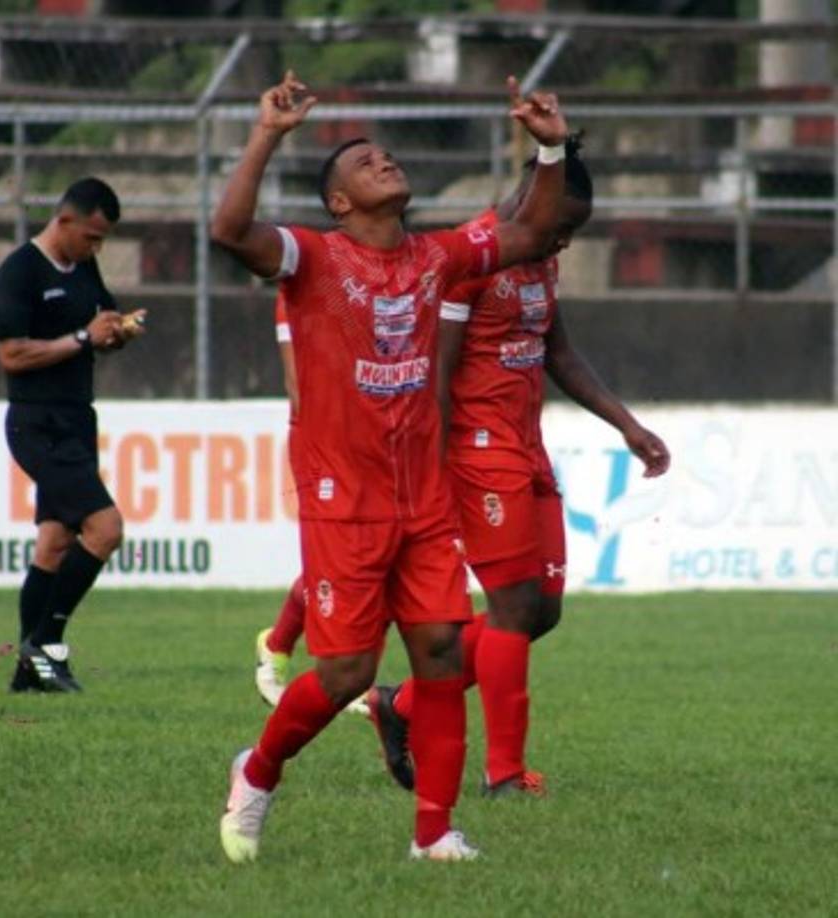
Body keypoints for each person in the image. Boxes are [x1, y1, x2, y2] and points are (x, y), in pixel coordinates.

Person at [210, 70, 569, 864]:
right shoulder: (312, 257)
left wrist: (549, 152)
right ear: (339, 201)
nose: (384, 160)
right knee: (344, 672)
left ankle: (433, 832)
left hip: (424, 500)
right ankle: (257, 771)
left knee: (439, 650)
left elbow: (534, 233)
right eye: (364, 161)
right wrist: (267, 135)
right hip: (344, 498)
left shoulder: (437, 256)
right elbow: (230, 230)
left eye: (387, 153)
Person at [367, 138, 671, 796]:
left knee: (543, 610)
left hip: (527, 449)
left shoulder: (540, 259)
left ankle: (402, 706)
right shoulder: (471, 257)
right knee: (512, 607)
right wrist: (431, 470)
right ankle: (503, 773)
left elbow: (558, 352)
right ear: (534, 200)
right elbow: (437, 375)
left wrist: (627, 424)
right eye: (561, 227)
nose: (563, 243)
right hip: (477, 452)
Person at [0, 176, 146, 693]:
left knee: (55, 543)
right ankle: (43, 644)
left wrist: (118, 332)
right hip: (37, 422)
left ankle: (27, 673)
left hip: (77, 418)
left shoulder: (83, 266)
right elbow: (11, 354)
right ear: (64, 221)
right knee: (106, 529)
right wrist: (83, 338)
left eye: (103, 240)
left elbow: (100, 323)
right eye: (91, 237)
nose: (96, 248)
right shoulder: (19, 271)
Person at [253, 290, 368, 715]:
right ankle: (318, 662)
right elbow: (298, 382)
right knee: (339, 560)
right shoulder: (301, 291)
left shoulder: (379, 280)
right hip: (327, 443)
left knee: (370, 557)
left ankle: (287, 647)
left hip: (380, 438)